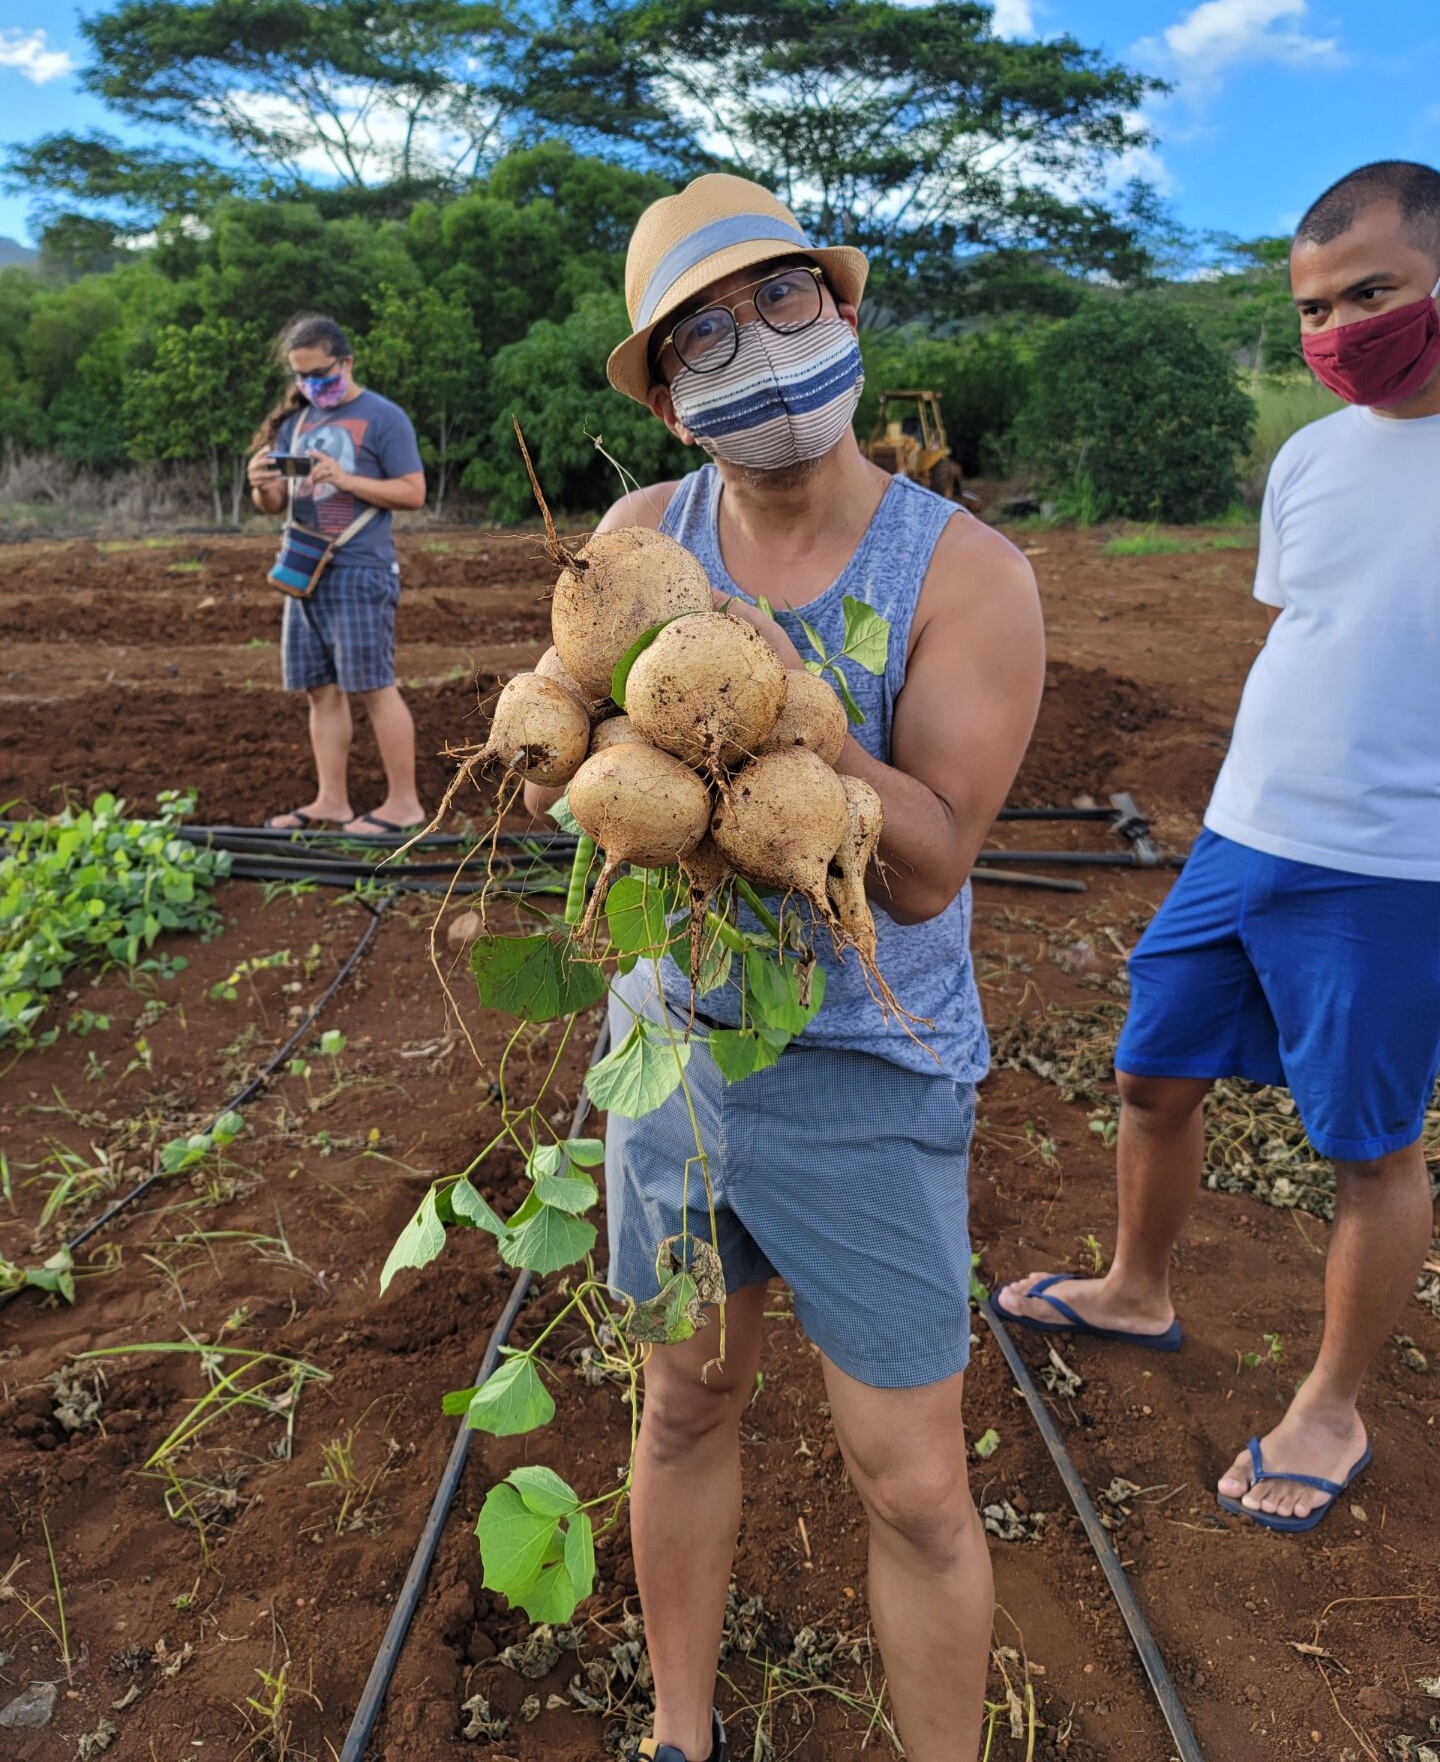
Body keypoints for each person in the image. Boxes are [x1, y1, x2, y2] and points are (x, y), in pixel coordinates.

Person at [525, 175, 1045, 1762]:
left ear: (845, 315)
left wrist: (777, 693)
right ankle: (682, 1738)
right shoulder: (634, 536)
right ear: (672, 402)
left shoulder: (965, 577)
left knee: (912, 1483)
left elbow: (938, 853)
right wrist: (569, 727)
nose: (751, 348)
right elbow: (589, 736)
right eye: (701, 336)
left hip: (866, 1073)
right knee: (681, 1402)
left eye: (780, 304)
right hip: (670, 1057)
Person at [999, 160, 1440, 1533]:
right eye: (1311, 308)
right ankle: (1139, 1285)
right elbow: (1311, 633)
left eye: (1370, 292)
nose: (1335, 331)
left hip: (1394, 870)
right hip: (1243, 837)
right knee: (1150, 1073)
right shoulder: (1309, 460)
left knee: (1369, 1151)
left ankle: (1333, 1405)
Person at [246, 313, 427, 834]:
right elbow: (274, 502)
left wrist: (346, 479)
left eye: (321, 376)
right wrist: (260, 483)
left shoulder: (384, 417)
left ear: (346, 363)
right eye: (301, 378)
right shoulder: (294, 423)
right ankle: (331, 801)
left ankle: (404, 805)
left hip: (359, 569)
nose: (311, 387)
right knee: (320, 690)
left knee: (374, 686)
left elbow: (413, 492)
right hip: (305, 571)